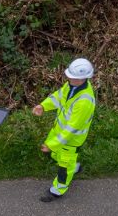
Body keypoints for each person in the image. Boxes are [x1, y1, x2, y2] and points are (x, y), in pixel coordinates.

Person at [32, 58, 97, 202]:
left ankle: (57, 191)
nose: (69, 78)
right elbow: (58, 97)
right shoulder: (71, 86)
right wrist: (43, 106)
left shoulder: (85, 101)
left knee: (63, 167)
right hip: (58, 132)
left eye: (73, 77)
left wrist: (52, 144)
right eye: (69, 76)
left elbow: (71, 129)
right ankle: (74, 167)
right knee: (54, 155)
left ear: (83, 78)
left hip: (71, 140)